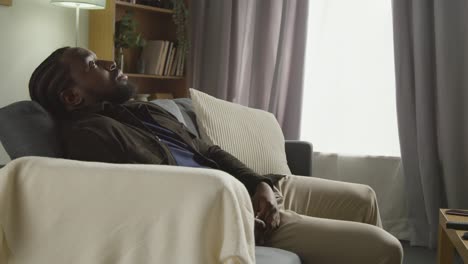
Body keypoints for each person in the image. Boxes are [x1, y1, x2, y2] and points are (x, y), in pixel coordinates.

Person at [29, 47, 403, 264]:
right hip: (235, 211)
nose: (111, 62)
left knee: (363, 197)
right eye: (93, 64)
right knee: (385, 249)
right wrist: (239, 207)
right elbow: (152, 199)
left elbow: (208, 150)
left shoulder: (141, 111)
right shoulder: (89, 136)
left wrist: (260, 183)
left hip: (254, 191)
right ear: (72, 97)